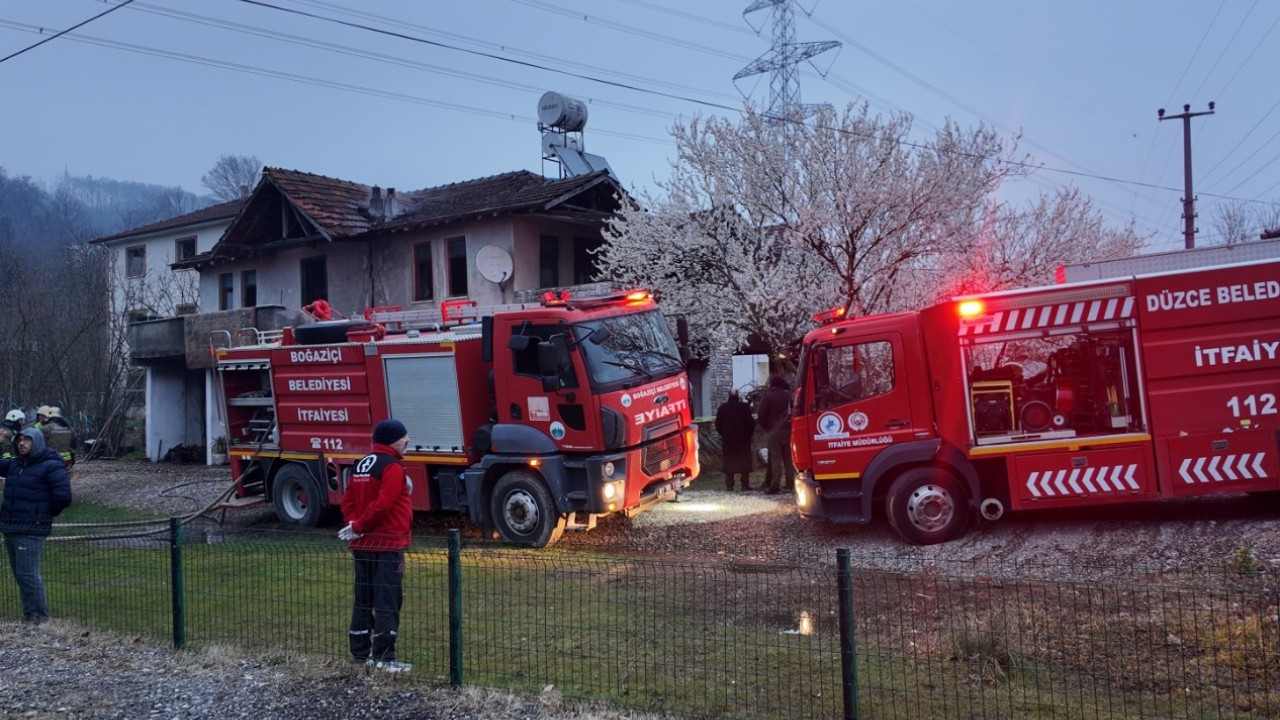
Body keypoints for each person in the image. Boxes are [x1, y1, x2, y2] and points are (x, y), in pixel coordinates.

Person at [338, 419, 413, 673]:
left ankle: (360, 652)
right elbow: (384, 504)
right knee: (387, 599)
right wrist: (359, 526)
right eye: (404, 436)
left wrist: (354, 525)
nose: (407, 440)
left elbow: (347, 500)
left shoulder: (361, 464)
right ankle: (384, 657)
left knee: (364, 597)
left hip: (363, 544)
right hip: (387, 543)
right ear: (392, 440)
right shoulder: (391, 466)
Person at [0, 428, 73, 624]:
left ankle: (40, 618)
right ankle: (30, 615)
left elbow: (63, 497)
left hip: (32, 529)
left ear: (38, 441)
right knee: (20, 575)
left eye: (27, 440)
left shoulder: (51, 465)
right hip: (11, 527)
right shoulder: (16, 464)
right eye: (19, 440)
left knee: (28, 574)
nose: (21, 443)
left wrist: (43, 515)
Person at [756, 374, 795, 495]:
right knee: (788, 458)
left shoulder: (768, 396)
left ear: (772, 384)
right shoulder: (789, 396)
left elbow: (761, 414)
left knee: (776, 458)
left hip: (774, 431)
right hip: (788, 430)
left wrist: (767, 428)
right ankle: (790, 484)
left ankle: (775, 484)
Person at [714, 389, 756, 491]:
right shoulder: (744, 407)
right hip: (743, 440)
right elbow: (751, 423)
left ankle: (729, 486)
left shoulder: (722, 408)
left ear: (728, 396)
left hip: (728, 440)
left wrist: (724, 434)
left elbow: (717, 424)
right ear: (737, 395)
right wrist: (748, 434)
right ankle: (745, 485)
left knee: (729, 461)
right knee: (744, 461)